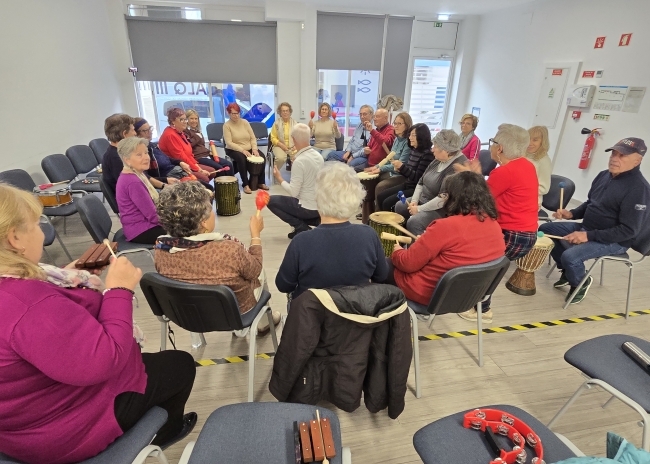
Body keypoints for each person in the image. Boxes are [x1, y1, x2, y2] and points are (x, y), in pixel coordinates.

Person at [0, 183, 196, 464]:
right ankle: (166, 432)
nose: (41, 232)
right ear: (15, 238)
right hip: (59, 433)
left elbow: (46, 325)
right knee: (180, 365)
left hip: (22, 423)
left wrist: (69, 276)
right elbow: (104, 360)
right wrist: (119, 290)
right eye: (36, 225)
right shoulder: (28, 304)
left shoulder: (17, 286)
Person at [154, 182, 280, 337]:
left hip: (188, 314)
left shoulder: (161, 250)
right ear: (203, 222)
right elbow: (255, 269)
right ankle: (263, 324)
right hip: (236, 313)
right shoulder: (228, 250)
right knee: (260, 272)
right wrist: (255, 235)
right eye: (210, 208)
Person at [540, 137, 649, 305]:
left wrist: (587, 236)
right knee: (547, 230)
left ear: (637, 160)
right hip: (589, 228)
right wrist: (571, 214)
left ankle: (580, 282)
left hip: (615, 241)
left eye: (622, 155)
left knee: (571, 256)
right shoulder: (603, 175)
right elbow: (591, 203)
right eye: (613, 153)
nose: (614, 158)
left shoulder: (639, 189)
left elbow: (629, 230)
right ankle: (568, 272)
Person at [455, 123, 538, 322]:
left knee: (485, 268)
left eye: (492, 142)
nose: (491, 145)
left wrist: (468, 177)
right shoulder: (526, 165)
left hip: (512, 235)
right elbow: (491, 192)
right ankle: (479, 305)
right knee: (488, 268)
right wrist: (476, 177)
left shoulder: (504, 172)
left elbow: (479, 199)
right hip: (526, 234)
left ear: (499, 148)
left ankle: (483, 310)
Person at [386, 171, 505, 306]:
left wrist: (397, 251)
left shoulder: (445, 226)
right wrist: (426, 243)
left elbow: (407, 264)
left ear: (454, 198)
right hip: (470, 296)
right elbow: (459, 254)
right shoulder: (494, 225)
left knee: (383, 264)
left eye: (445, 195)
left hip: (432, 295)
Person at [276, 162, 389, 299]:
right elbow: (381, 276)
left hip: (313, 312)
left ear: (318, 199)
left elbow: (283, 285)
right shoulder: (369, 235)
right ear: (355, 198)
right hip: (357, 310)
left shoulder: (301, 242)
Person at [395, 130, 468, 236]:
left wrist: (419, 209)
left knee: (414, 222)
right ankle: (403, 241)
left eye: (435, 146)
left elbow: (443, 199)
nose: (432, 149)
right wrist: (414, 201)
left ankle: (417, 245)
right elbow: (421, 182)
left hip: (441, 210)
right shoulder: (438, 159)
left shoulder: (457, 166)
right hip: (424, 200)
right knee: (400, 206)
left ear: (446, 150)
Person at [269, 124, 324, 238]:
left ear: (293, 139)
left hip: (307, 208)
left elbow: (294, 192)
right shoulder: (318, 156)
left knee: (269, 201)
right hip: (320, 206)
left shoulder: (300, 161)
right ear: (309, 137)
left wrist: (279, 178)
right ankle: (316, 221)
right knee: (291, 203)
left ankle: (301, 227)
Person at [115, 137, 166, 244]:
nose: (146, 157)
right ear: (127, 160)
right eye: (139, 155)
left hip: (143, 225)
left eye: (146, 153)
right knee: (187, 230)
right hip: (141, 230)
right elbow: (153, 216)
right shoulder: (133, 182)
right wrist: (174, 222)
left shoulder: (136, 173)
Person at [377, 123, 434, 211]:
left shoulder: (427, 155)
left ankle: (393, 218)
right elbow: (408, 174)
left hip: (414, 190)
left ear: (422, 136)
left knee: (388, 203)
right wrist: (400, 169)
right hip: (407, 185)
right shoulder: (414, 150)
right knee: (381, 196)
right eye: (410, 135)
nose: (410, 137)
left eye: (413, 135)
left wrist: (402, 167)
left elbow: (418, 178)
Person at [362, 112, 413, 210]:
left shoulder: (408, 143)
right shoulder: (397, 139)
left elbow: (399, 165)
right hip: (391, 172)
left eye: (399, 123)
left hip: (401, 176)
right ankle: (368, 212)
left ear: (407, 125)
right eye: (395, 123)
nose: (396, 126)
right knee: (371, 181)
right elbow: (389, 159)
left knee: (380, 187)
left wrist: (380, 169)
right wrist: (376, 167)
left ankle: (378, 214)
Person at [158, 108, 217, 185]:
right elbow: (180, 157)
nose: (185, 122)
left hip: (186, 163)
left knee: (212, 172)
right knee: (204, 178)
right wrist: (199, 170)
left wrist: (197, 167)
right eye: (181, 119)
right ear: (173, 121)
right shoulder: (170, 135)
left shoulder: (180, 132)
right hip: (176, 166)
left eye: (185, 119)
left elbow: (189, 154)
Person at [223, 102, 269, 194]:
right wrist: (242, 150)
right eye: (233, 113)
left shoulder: (245, 122)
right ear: (228, 113)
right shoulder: (226, 126)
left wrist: (254, 149)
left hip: (248, 147)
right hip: (233, 149)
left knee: (262, 157)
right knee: (242, 159)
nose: (236, 116)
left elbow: (252, 137)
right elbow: (229, 143)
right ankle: (245, 184)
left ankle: (261, 182)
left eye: (238, 113)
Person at [134, 117, 192, 182]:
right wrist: (165, 180)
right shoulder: (141, 152)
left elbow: (167, 158)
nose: (150, 132)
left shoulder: (152, 145)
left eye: (150, 128)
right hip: (169, 178)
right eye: (145, 130)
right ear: (136, 134)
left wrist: (180, 162)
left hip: (177, 171)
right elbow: (146, 177)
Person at [184, 108, 234, 175]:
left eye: (196, 119)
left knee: (228, 164)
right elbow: (189, 145)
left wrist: (208, 151)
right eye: (191, 118)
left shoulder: (197, 131)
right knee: (219, 168)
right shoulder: (185, 132)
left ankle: (232, 181)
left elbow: (201, 146)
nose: (194, 121)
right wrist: (197, 136)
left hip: (206, 154)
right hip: (198, 157)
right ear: (187, 120)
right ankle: (220, 182)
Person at [325, 104, 374, 170]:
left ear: (371, 115)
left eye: (364, 114)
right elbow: (352, 140)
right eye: (360, 114)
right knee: (331, 155)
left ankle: (343, 171)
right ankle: (336, 173)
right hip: (351, 152)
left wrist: (353, 156)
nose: (362, 117)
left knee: (351, 164)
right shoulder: (359, 125)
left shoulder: (373, 130)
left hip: (361, 156)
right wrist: (348, 151)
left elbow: (366, 149)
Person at [353, 108, 396, 172]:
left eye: (377, 117)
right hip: (369, 163)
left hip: (380, 166)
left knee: (353, 171)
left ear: (385, 118)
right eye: (374, 117)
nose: (374, 119)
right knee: (350, 170)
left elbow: (386, 142)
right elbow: (369, 147)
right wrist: (366, 150)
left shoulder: (391, 130)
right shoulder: (376, 131)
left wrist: (372, 130)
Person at [525, 125, 552, 209]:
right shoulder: (524, 155)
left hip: (531, 202)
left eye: (535, 140)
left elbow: (543, 188)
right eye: (528, 139)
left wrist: (520, 191)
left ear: (542, 142)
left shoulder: (544, 161)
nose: (530, 143)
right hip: (518, 196)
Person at [269, 102, 297, 170]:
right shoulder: (276, 123)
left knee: (298, 158)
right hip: (279, 146)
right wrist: (281, 145)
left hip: (293, 147)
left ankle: (295, 175)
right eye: (283, 111)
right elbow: (273, 138)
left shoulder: (295, 123)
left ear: (290, 112)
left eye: (287, 110)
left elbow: (298, 137)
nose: (285, 112)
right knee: (280, 158)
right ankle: (276, 174)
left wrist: (296, 146)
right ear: (280, 113)